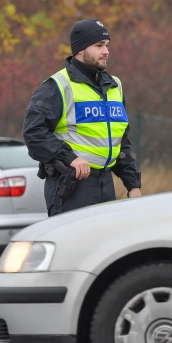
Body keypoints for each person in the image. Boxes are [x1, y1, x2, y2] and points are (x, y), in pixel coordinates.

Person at [23, 19, 141, 216]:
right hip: (73, 187)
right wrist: (70, 159)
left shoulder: (115, 86)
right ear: (80, 49)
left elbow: (121, 141)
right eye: (99, 46)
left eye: (107, 45)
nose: (106, 51)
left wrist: (132, 184)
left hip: (106, 185)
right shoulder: (58, 85)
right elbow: (34, 133)